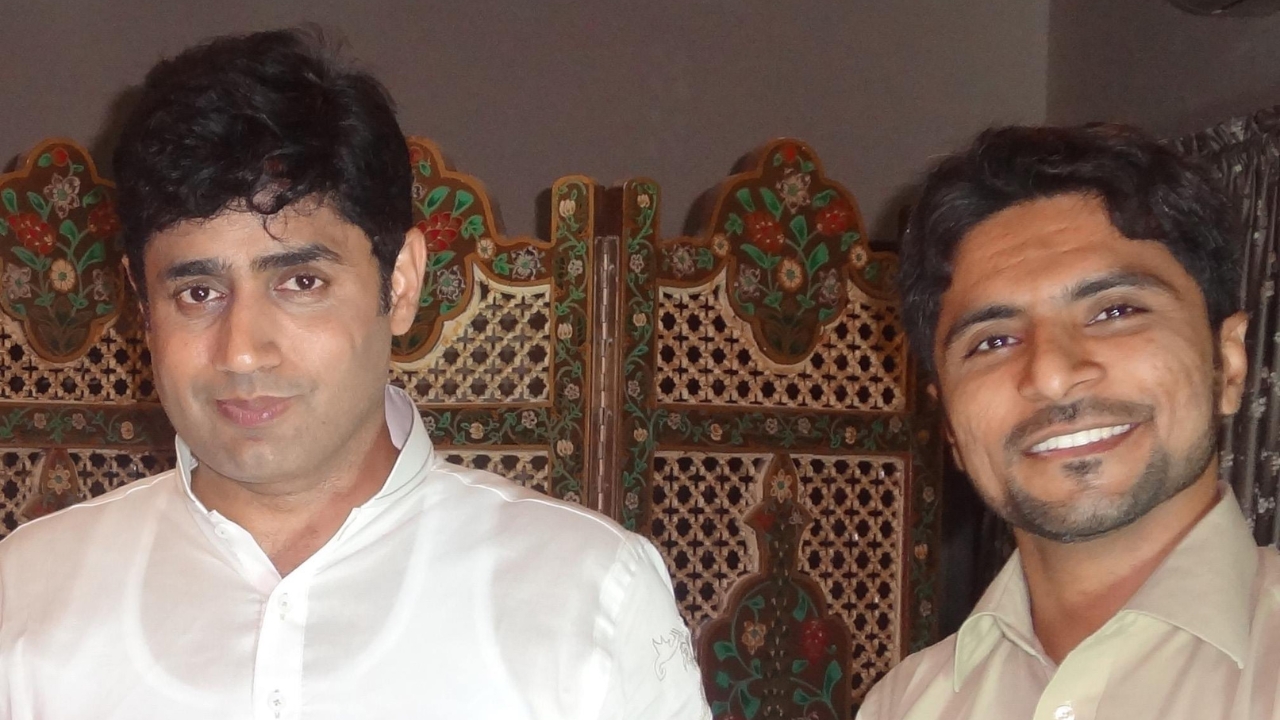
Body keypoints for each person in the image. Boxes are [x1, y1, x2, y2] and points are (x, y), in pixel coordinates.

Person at [0, 29, 710, 720]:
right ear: (142, 306)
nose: (242, 352)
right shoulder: (28, 593)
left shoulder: (586, 595)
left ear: (399, 283)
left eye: (301, 282)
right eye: (198, 293)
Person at [859, 124, 1279, 719]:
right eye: (993, 341)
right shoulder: (905, 704)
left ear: (1229, 364)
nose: (1052, 375)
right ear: (949, 424)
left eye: (1115, 311)